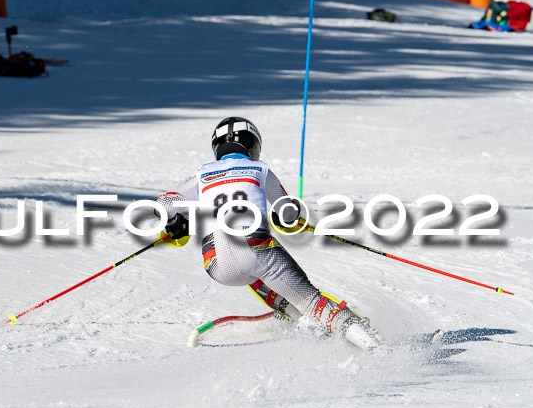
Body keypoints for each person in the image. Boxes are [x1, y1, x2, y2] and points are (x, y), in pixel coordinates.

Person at [156, 117, 383, 351]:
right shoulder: (259, 169)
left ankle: (298, 317)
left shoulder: (202, 175)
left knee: (253, 274)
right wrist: (287, 216)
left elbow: (164, 204)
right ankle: (376, 346)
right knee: (309, 299)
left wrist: (175, 224)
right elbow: (287, 212)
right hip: (255, 247)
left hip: (216, 263)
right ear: (253, 145)